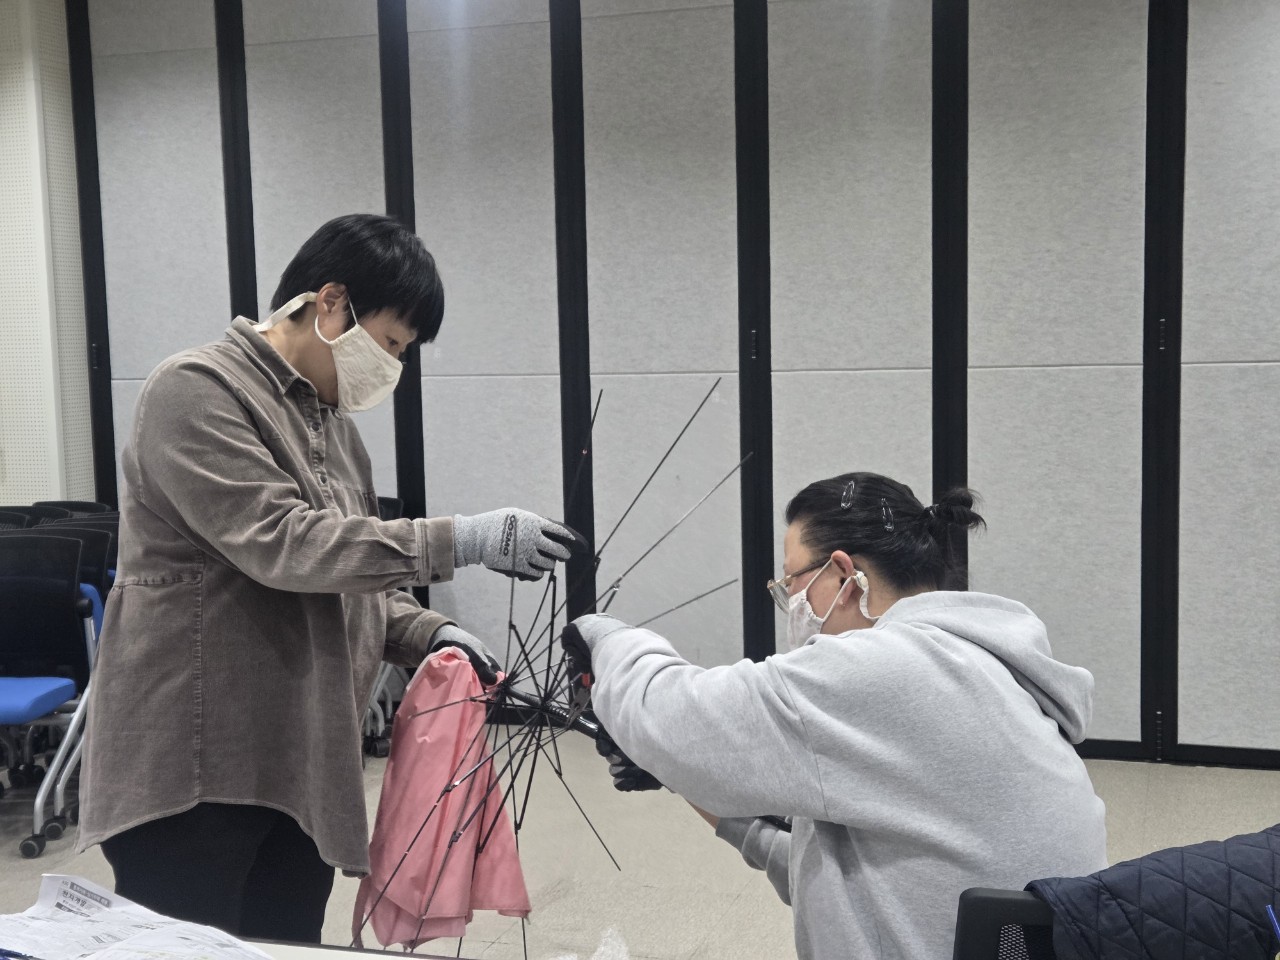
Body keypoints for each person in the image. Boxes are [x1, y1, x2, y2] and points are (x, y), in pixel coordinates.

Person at [78, 214, 583, 943]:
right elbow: (284, 545)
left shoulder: (336, 431)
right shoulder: (196, 389)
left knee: (290, 947)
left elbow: (350, 577)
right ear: (332, 302)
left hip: (304, 764)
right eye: (390, 344)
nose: (392, 368)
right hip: (198, 767)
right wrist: (464, 538)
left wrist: (430, 632)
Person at [563, 471, 1108, 960]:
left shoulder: (881, 670)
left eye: (791, 584)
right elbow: (834, 882)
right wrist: (680, 776)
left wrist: (603, 634)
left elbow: (669, 714)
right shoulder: (982, 663)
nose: (790, 603)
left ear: (844, 574)